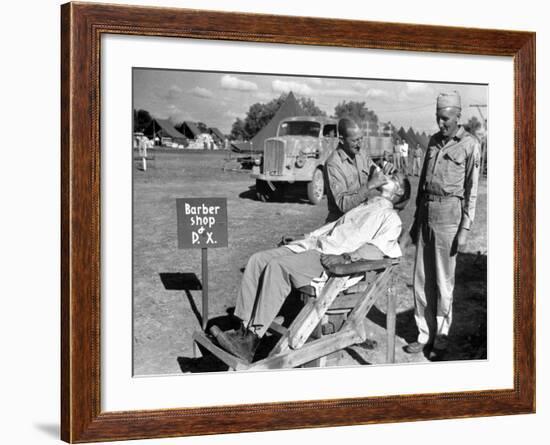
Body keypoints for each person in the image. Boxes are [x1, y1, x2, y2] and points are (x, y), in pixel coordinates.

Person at [214, 172, 411, 362]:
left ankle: (251, 340)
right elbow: (333, 229)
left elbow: (376, 250)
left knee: (277, 267)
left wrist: (345, 257)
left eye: (394, 178)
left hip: (330, 258)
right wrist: (305, 238)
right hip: (315, 245)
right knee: (258, 260)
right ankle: (243, 330)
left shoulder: (391, 218)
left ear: (399, 192)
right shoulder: (366, 205)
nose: (387, 176)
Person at [403, 91, 481, 360]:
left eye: (446, 118)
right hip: (427, 214)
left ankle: (442, 336)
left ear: (458, 116)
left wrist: (465, 229)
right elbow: (423, 184)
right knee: (421, 279)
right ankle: (423, 334)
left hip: (450, 216)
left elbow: (472, 190)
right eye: (438, 117)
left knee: (444, 281)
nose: (441, 123)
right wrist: (415, 222)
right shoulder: (433, 142)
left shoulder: (470, 144)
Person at [323, 118, 394, 223]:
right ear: (342, 140)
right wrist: (369, 186)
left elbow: (375, 173)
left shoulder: (361, 154)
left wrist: (385, 173)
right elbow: (343, 205)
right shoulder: (333, 165)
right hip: (340, 223)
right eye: (355, 140)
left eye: (361, 139)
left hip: (360, 219)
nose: (359, 144)